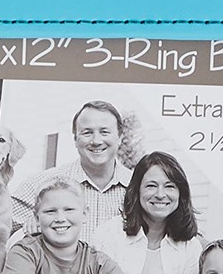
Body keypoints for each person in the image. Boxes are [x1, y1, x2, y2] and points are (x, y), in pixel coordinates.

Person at [0, 175, 150, 274]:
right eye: (50, 211)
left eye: (69, 210)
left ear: (85, 214)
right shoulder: (26, 250)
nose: (60, 218)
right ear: (37, 218)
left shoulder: (95, 260)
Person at [93, 152, 204, 274]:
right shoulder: (109, 235)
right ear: (136, 191)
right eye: (151, 186)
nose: (160, 195)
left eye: (170, 186)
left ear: (181, 193)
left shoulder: (190, 246)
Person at [9, 100, 133, 237]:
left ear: (119, 137)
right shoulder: (40, 185)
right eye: (87, 133)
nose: (96, 141)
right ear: (75, 139)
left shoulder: (138, 188)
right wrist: (27, 231)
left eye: (104, 132)